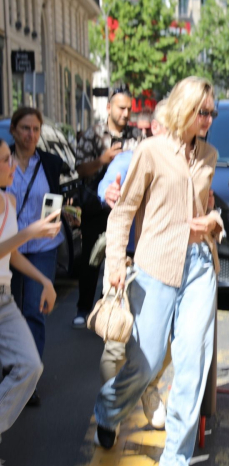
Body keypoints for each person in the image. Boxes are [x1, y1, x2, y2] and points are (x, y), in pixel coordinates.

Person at [93, 76, 223, 466]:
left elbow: (207, 210)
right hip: (154, 267)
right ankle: (108, 410)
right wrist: (116, 262)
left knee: (192, 359)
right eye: (201, 111)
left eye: (211, 113)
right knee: (146, 361)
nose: (207, 119)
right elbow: (123, 212)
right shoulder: (150, 152)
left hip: (200, 265)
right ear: (183, 109)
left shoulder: (209, 155)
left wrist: (213, 224)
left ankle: (176, 457)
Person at [97, 100, 169, 430]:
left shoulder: (187, 163)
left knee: (161, 345)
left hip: (161, 266)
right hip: (124, 263)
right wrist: (108, 192)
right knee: (116, 345)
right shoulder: (129, 159)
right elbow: (106, 187)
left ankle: (148, 389)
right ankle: (112, 414)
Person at [0, 139, 60, 466]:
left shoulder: (8, 202)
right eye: (6, 160)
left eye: (10, 158)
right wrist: (28, 233)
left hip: (5, 299)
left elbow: (10, 255)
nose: (12, 166)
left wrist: (44, 281)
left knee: (30, 366)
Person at [6, 107, 64, 407]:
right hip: (9, 249)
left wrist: (66, 216)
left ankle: (29, 381)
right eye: (25, 128)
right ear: (14, 130)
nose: (31, 135)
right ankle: (11, 371)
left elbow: (58, 198)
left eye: (36, 130)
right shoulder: (4, 164)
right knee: (10, 310)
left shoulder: (49, 163)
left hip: (42, 247)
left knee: (34, 310)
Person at [73, 83, 143, 330]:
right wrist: (102, 160)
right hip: (95, 206)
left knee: (125, 258)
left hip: (126, 210)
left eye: (129, 109)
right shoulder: (93, 134)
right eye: (121, 108)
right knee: (92, 258)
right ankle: (84, 309)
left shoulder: (137, 136)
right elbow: (79, 169)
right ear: (109, 107)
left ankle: (118, 309)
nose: (126, 114)